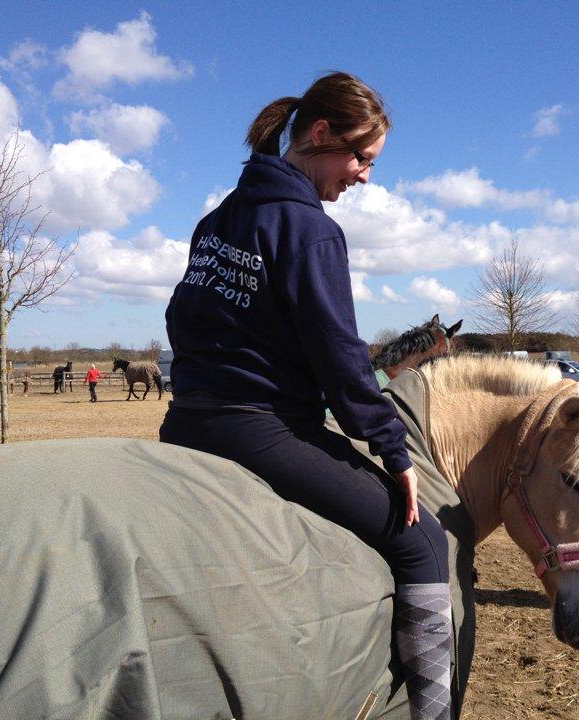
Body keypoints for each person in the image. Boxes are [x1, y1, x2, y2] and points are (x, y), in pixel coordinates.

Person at [160, 72, 452, 719]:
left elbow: (182, 322)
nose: (364, 177)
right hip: (262, 430)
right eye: (361, 158)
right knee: (426, 542)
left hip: (184, 424)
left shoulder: (215, 222)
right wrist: (394, 450)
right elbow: (343, 361)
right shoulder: (311, 231)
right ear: (319, 135)